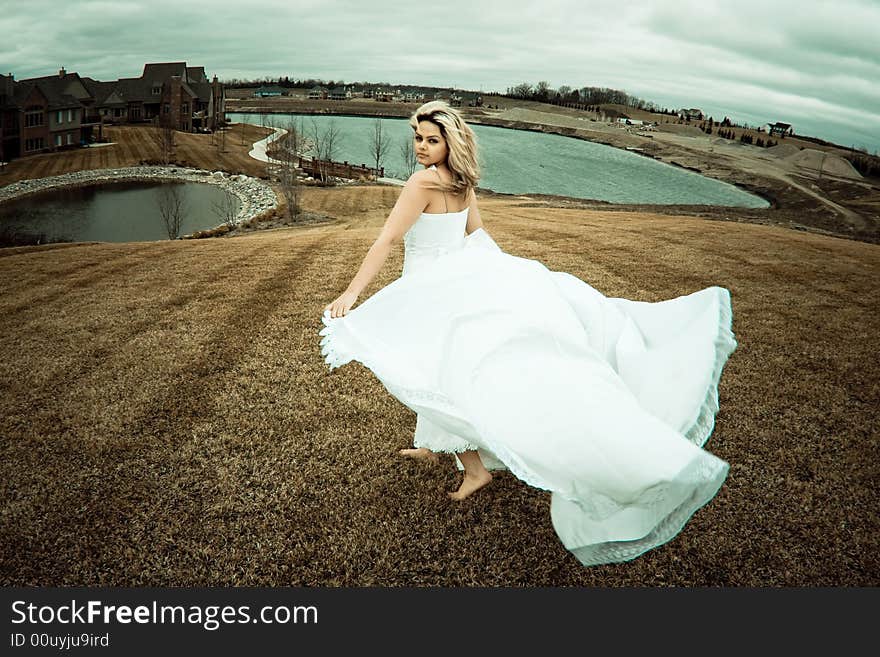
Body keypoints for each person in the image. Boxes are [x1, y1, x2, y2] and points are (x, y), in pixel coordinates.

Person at [321, 100, 737, 566]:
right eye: (417, 138)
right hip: (452, 281)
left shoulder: (422, 183)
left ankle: (474, 470)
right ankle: (431, 444)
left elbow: (389, 240)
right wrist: (505, 274)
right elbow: (477, 237)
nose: (421, 147)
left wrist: (352, 294)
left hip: (434, 287)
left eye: (431, 140)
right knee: (437, 364)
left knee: (434, 370)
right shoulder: (461, 182)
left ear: (450, 142)